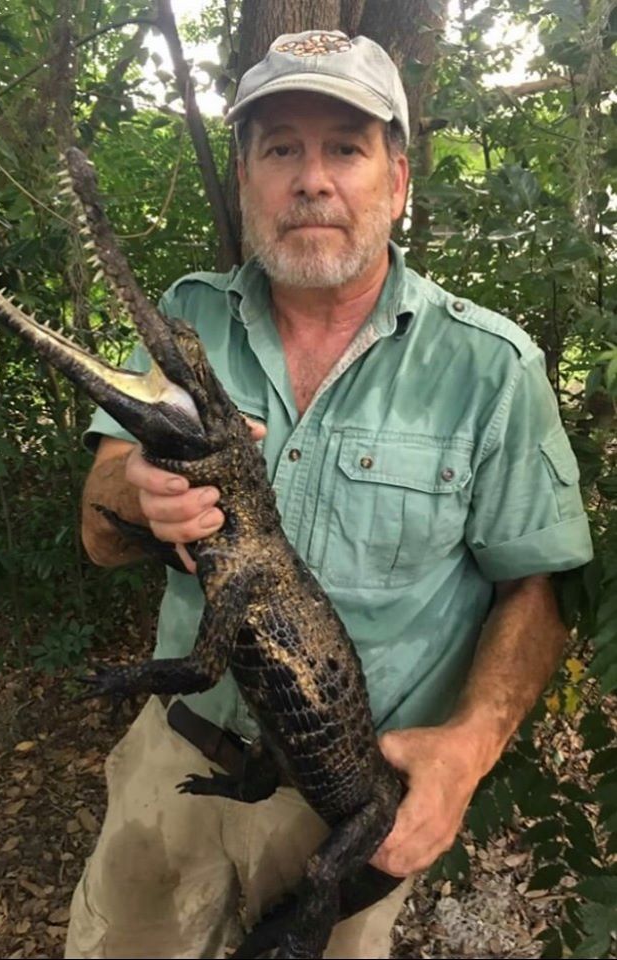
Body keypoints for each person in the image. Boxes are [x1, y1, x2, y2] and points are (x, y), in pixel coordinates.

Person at [65, 29, 593, 960]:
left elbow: (537, 593)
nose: (312, 178)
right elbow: (100, 532)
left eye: (344, 147)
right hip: (174, 764)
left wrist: (467, 752)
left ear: (397, 179)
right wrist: (131, 496)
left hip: (347, 796)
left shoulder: (493, 368)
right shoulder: (189, 319)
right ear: (247, 180)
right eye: (281, 148)